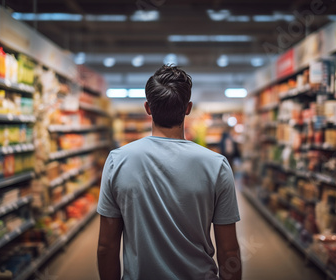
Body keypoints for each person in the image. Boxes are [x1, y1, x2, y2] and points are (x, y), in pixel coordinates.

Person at [97, 65, 241, 280]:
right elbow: (229, 251)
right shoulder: (216, 165)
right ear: (188, 108)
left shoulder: (118, 161)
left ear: (148, 108)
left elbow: (106, 247)